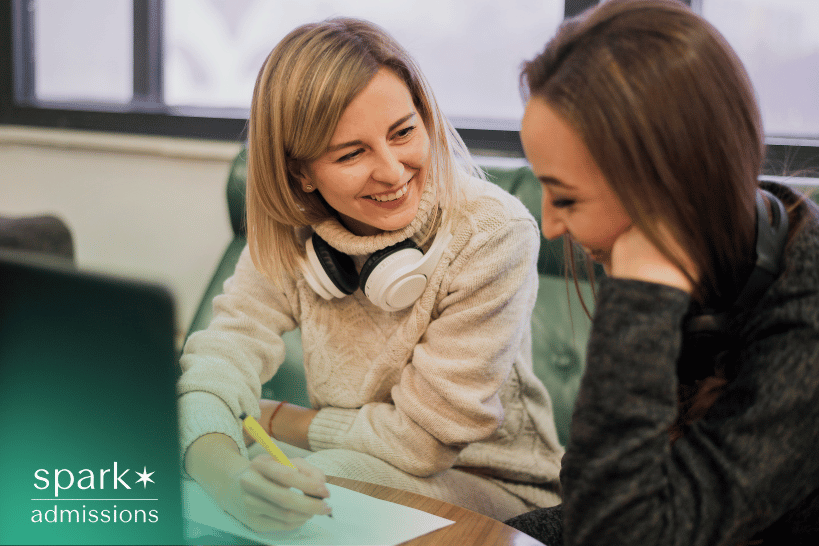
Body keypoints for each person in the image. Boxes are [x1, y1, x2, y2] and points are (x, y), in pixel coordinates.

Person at [178, 17, 564, 532]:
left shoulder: (492, 232)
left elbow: (421, 443)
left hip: (496, 485)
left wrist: (275, 420)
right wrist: (222, 471)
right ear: (301, 172)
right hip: (364, 461)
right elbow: (218, 361)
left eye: (404, 132)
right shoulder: (291, 233)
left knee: (316, 491)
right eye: (352, 153)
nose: (392, 170)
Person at [505, 0, 819, 544]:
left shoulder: (803, 315)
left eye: (566, 198)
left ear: (666, 191)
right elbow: (587, 497)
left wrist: (642, 298)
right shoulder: (682, 255)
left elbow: (617, 532)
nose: (550, 226)